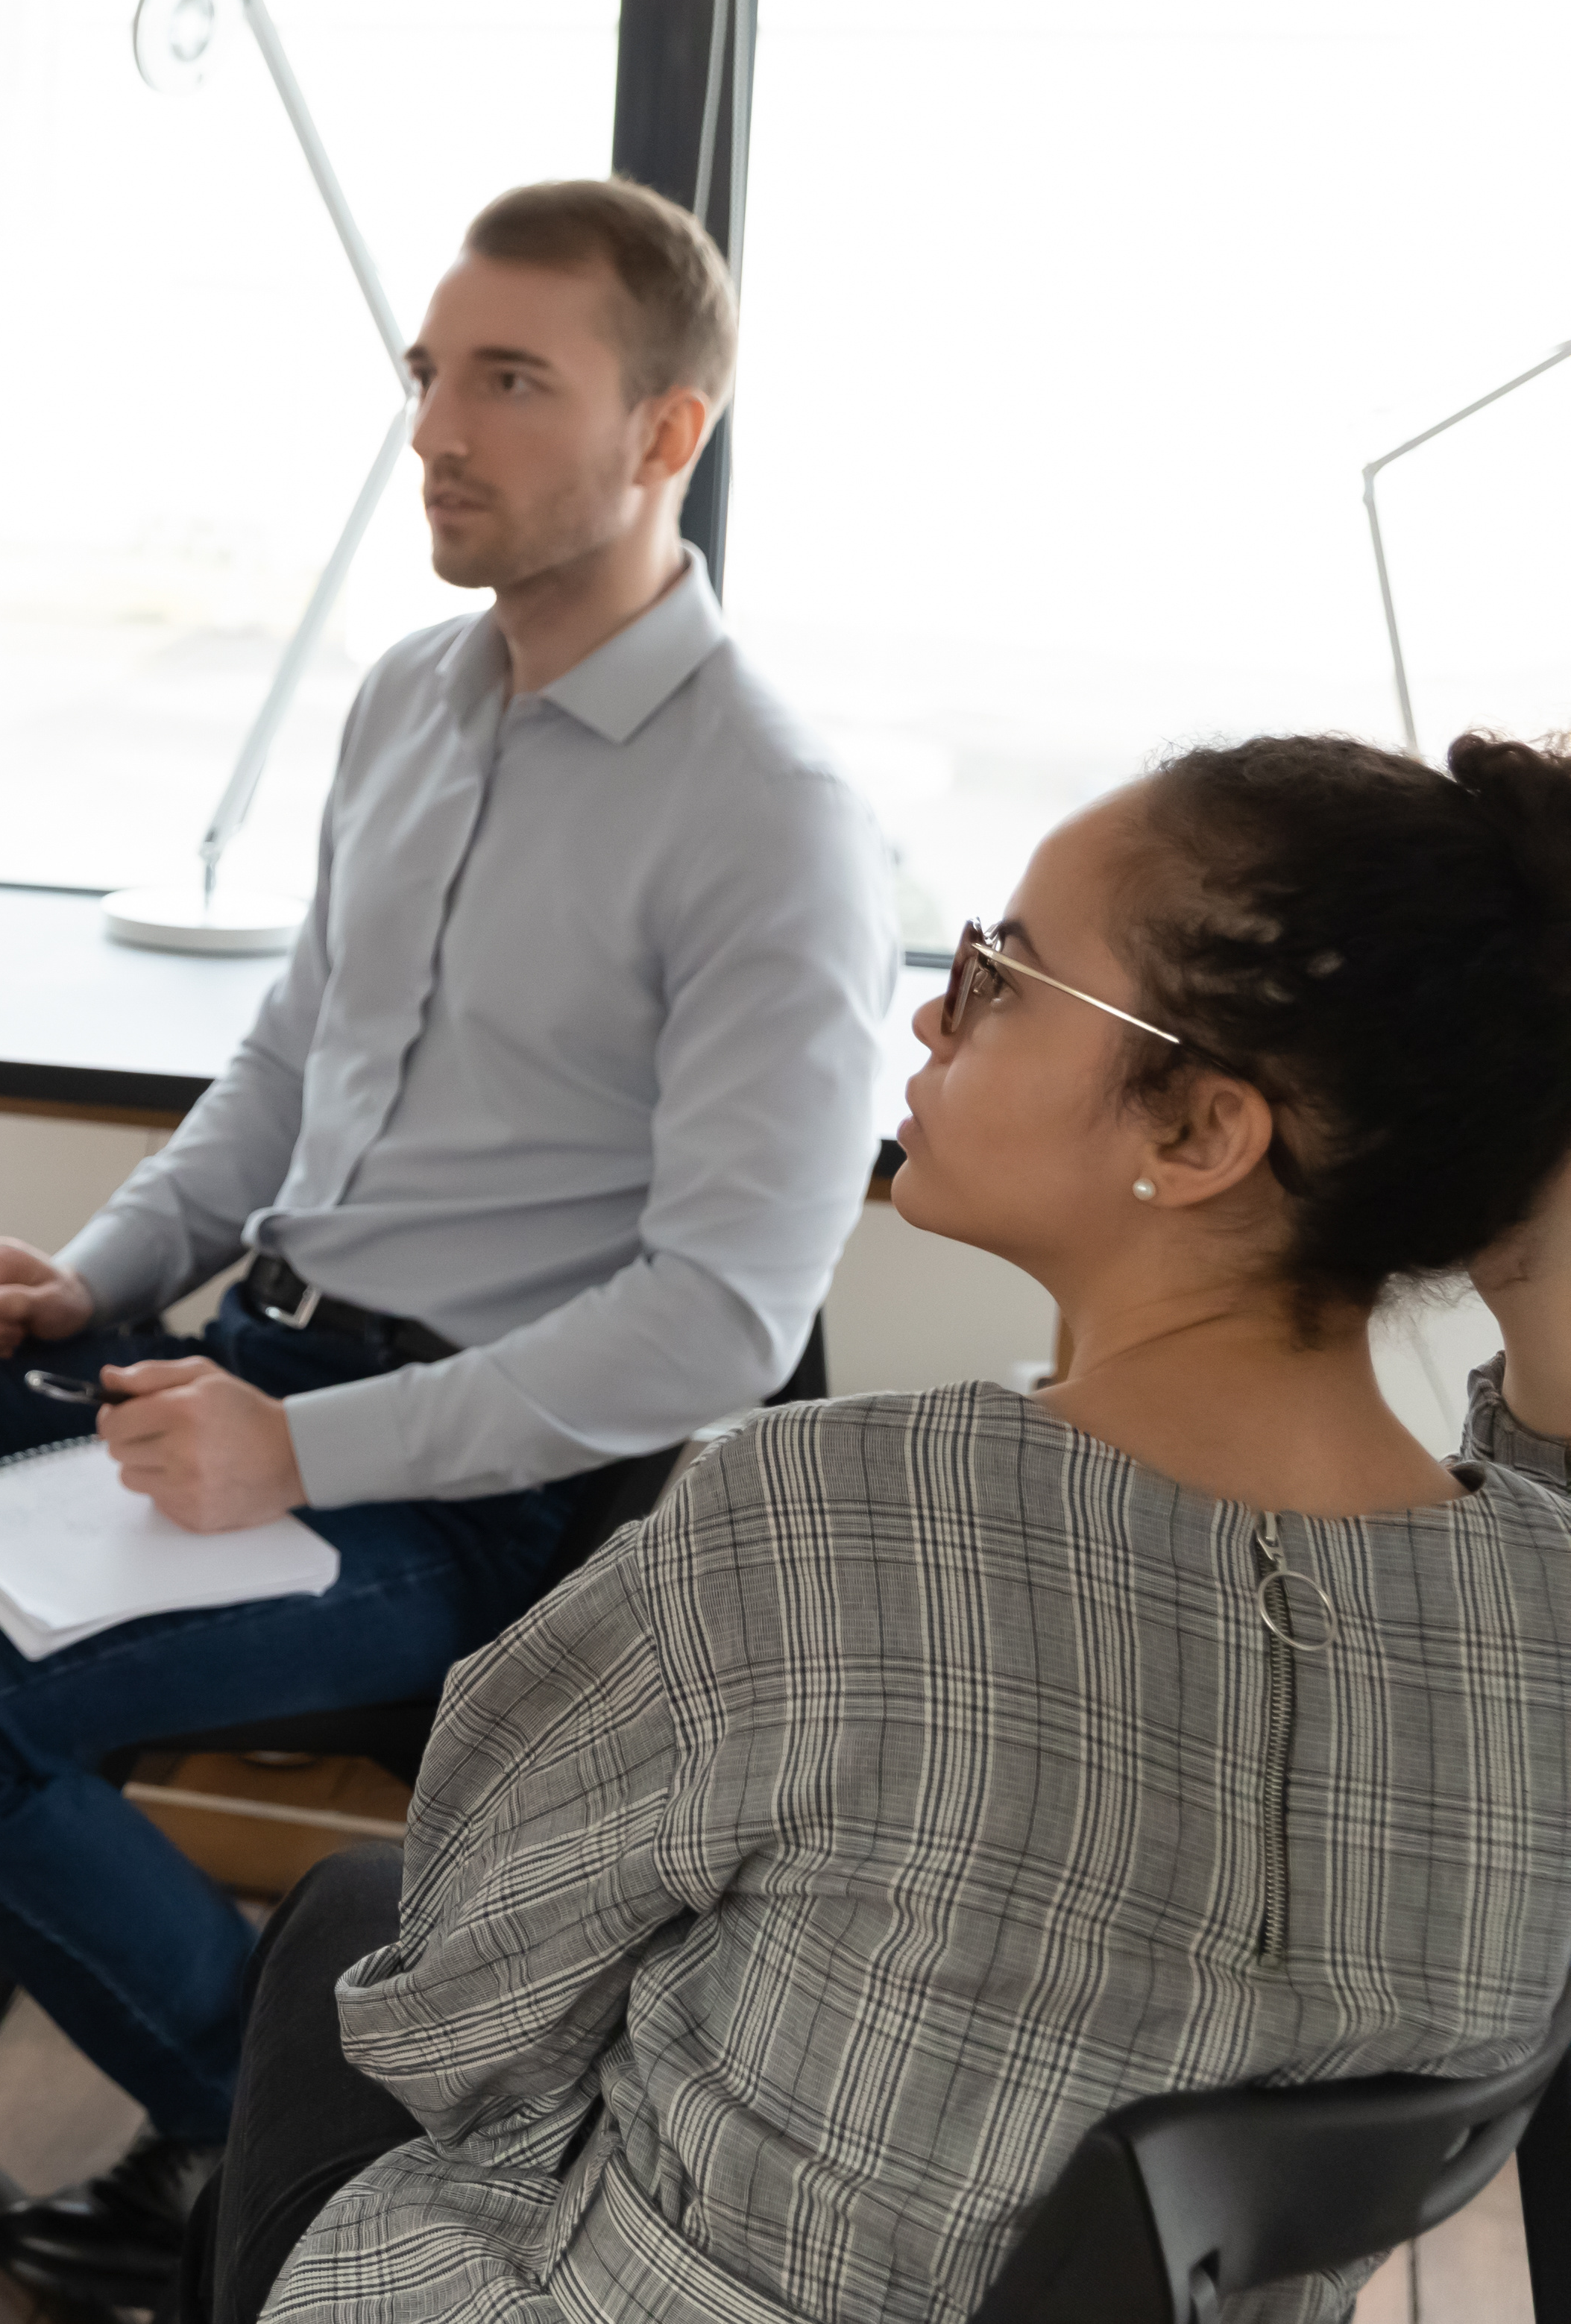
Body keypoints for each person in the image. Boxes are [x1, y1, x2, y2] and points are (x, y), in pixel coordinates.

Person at [0, 179, 900, 2309]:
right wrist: (100, 1272)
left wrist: (309, 1451)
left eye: (511, 381)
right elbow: (293, 1058)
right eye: (426, 373)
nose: (437, 431)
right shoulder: (416, 697)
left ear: (668, 433)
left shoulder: (772, 811)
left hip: (467, 1489)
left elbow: (725, 1322)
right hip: (227, 1367)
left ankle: (277, 2137)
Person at [207, 734, 1571, 2323]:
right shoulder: (1543, 1614)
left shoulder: (810, 1520)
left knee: (346, 1933)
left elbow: (448, 2015)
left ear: (1198, 1135)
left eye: (1003, 979)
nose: (934, 1011)